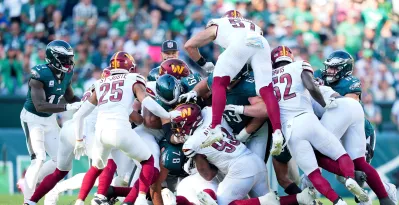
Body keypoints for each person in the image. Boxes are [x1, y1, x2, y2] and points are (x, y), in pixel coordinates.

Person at [72, 51, 181, 205]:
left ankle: (80, 201)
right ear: (130, 67)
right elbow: (147, 103)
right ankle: (141, 198)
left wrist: (78, 140)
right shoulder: (132, 78)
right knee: (148, 161)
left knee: (97, 167)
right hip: (120, 130)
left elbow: (78, 115)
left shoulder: (100, 83)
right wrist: (169, 116)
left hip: (101, 133)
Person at [270, 45, 367, 205]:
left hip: (289, 130)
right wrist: (324, 103)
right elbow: (312, 86)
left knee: (313, 174)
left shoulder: (267, 77)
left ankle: (337, 202)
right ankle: (350, 177)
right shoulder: (299, 66)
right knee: (340, 154)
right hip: (308, 119)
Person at [183, 10, 283, 156]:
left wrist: (204, 64)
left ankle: (215, 127)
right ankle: (278, 132)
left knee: (219, 83)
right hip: (261, 43)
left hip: (240, 44)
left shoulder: (219, 23)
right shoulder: (253, 25)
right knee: (266, 90)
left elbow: (189, 46)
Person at [178, 103, 316, 205]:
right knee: (272, 203)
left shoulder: (191, 144)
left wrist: (203, 160)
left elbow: (208, 175)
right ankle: (300, 198)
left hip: (240, 169)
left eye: (179, 124)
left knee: (219, 204)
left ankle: (265, 201)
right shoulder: (209, 112)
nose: (178, 129)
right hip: (253, 160)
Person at [21, 40, 82, 205]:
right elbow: (40, 106)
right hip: (33, 119)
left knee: (60, 161)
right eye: (65, 59)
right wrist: (68, 106)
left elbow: (70, 97)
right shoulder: (39, 74)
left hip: (50, 119)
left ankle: (37, 183)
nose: (69, 63)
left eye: (70, 58)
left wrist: (86, 102)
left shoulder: (67, 74)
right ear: (54, 59)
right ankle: (28, 201)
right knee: (38, 158)